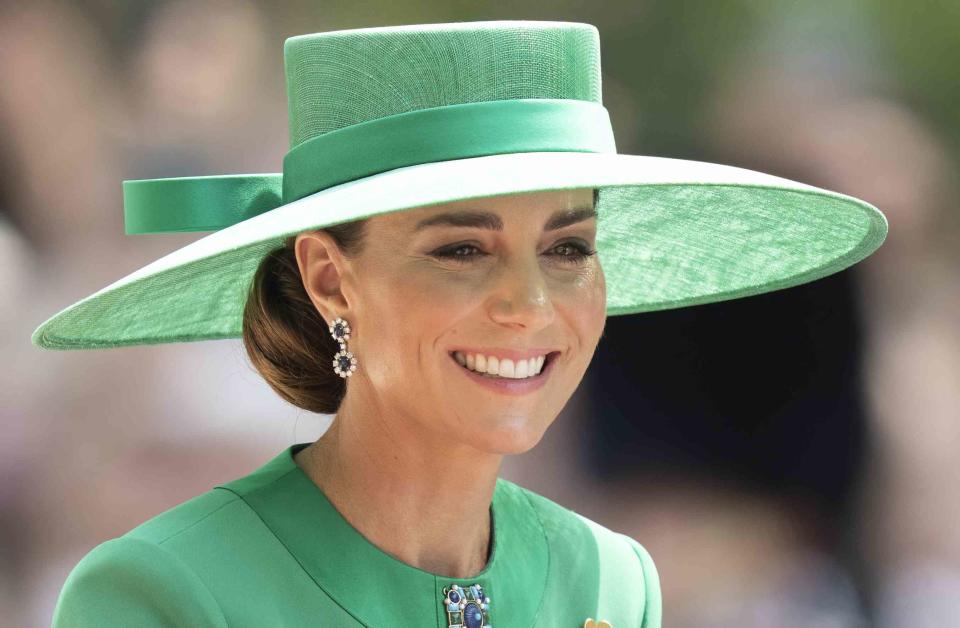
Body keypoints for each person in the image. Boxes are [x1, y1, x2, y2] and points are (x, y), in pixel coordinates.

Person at [33, 20, 887, 627]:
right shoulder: (163, 595)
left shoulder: (614, 582)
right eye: (461, 251)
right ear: (331, 280)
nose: (529, 306)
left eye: (567, 248)